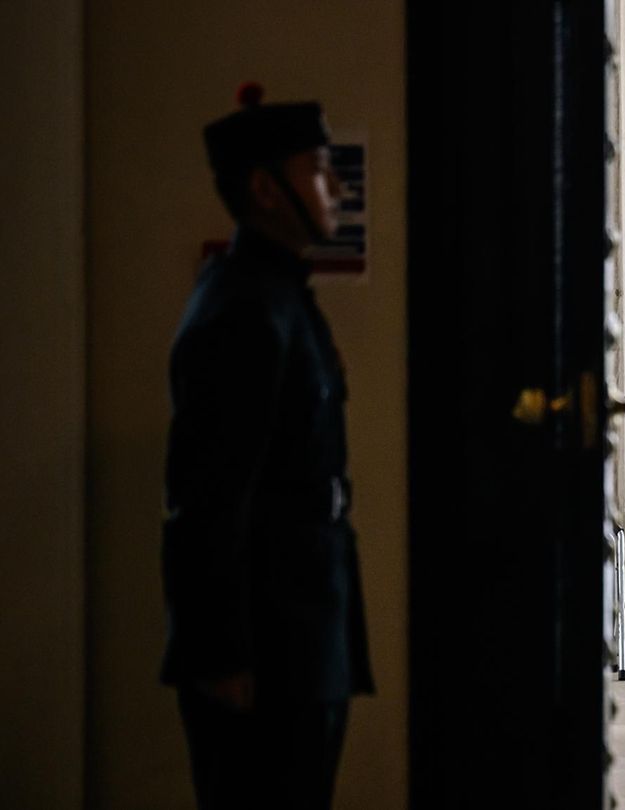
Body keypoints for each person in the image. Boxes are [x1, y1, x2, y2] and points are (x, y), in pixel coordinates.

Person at [161, 83, 373, 809]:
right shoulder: (242, 311)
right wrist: (220, 654)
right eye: (318, 168)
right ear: (266, 188)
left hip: (301, 628)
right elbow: (206, 496)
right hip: (267, 645)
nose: (338, 185)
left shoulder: (275, 295)